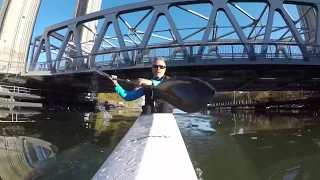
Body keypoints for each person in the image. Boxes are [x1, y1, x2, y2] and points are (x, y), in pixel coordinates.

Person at [109, 57, 174, 114]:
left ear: (165, 69)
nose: (158, 69)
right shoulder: (146, 85)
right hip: (148, 118)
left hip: (165, 118)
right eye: (155, 66)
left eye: (161, 67)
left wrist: (146, 81)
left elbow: (160, 84)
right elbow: (128, 96)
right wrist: (115, 83)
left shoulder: (169, 82)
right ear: (152, 69)